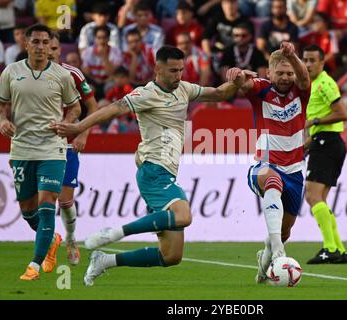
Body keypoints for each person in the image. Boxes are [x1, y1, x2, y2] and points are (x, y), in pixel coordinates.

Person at [51, 45, 255, 286]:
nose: (178, 75)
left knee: (170, 256)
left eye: (180, 70)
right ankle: (115, 233)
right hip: (153, 171)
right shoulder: (146, 94)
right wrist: (79, 127)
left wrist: (238, 81)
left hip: (166, 172)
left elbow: (220, 93)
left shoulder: (184, 89)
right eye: (172, 70)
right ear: (158, 68)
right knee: (183, 215)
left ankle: (104, 261)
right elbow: (113, 109)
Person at [0, 24, 81, 280]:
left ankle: (34, 264)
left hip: (52, 149)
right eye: (37, 42)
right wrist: (4, 120)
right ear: (26, 44)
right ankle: (52, 239)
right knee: (28, 211)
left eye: (46, 42)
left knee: (47, 204)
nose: (42, 47)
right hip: (21, 148)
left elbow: (75, 107)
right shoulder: (12, 72)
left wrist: (68, 122)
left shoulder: (62, 75)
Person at [229, 41, 311, 283]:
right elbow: (244, 83)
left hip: (295, 172)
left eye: (289, 73)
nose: (286, 78)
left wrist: (293, 56)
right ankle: (279, 254)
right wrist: (234, 75)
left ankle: (263, 269)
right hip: (264, 166)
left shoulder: (301, 91)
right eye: (280, 73)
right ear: (269, 73)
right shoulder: (262, 90)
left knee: (284, 231)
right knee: (272, 180)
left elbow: (305, 78)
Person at [48, 32, 98, 266]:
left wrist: (84, 133)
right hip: (39, 144)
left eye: (56, 48)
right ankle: (47, 243)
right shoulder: (26, 74)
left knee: (65, 201)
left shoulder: (73, 73)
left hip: (67, 144)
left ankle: (69, 239)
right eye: (48, 47)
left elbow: (92, 106)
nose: (51, 52)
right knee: (40, 200)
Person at [302, 44, 347, 264]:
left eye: (313, 60)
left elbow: (342, 113)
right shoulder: (314, 84)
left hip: (327, 143)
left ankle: (329, 248)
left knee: (312, 197)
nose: (308, 64)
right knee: (320, 199)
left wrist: (315, 121)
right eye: (305, 60)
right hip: (326, 142)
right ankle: (338, 249)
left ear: (322, 62)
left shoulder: (325, 84)